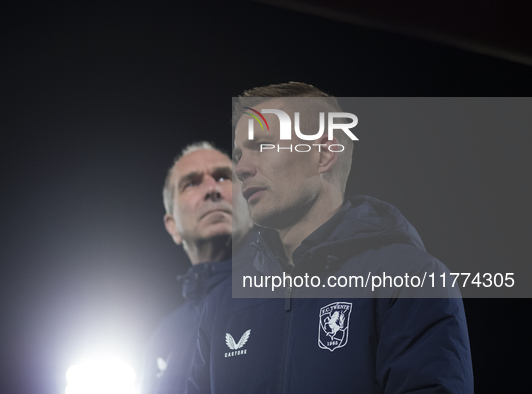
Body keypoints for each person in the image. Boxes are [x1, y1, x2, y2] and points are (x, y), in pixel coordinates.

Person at [187, 82, 474, 393]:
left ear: (324, 153)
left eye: (263, 146)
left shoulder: (411, 278)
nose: (240, 168)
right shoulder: (221, 304)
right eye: (240, 153)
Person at [140, 142, 253, 394]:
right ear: (172, 226)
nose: (212, 189)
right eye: (191, 183)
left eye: (224, 177)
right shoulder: (162, 337)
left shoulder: (289, 296)